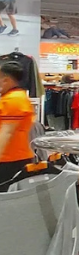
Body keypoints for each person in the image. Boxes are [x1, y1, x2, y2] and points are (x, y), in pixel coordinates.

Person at [0, 60, 35, 190]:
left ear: (6, 80)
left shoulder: (13, 100)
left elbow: (7, 132)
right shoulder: (12, 97)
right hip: (12, 157)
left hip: (10, 160)